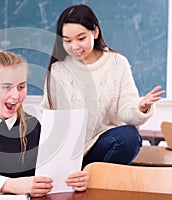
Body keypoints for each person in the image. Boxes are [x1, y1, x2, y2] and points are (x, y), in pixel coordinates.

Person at [0, 50, 89, 197]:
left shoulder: (32, 126)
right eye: (6, 87)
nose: (15, 96)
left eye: (21, 87)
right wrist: (8, 184)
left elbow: (41, 174)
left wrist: (73, 180)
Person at [41, 4, 165, 168]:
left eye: (81, 38)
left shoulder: (117, 63)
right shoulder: (58, 70)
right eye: (67, 41)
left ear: (95, 32)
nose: (75, 47)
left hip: (101, 147)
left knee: (129, 136)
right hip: (66, 151)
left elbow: (127, 112)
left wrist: (140, 107)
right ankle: (75, 174)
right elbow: (47, 114)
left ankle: (93, 177)